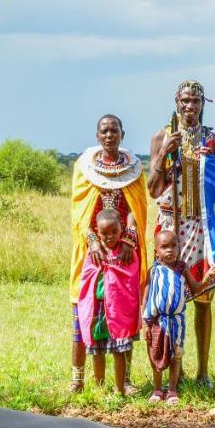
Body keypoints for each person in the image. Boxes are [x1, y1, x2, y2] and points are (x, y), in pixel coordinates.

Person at [147, 80, 215, 387]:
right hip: (169, 224)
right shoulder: (161, 136)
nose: (189, 106)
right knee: (167, 299)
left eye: (195, 101)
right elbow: (153, 190)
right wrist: (164, 153)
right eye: (184, 101)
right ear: (176, 102)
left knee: (204, 298)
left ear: (203, 104)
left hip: (200, 226)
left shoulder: (212, 139)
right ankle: (166, 370)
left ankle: (202, 371)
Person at [69, 114, 150, 393]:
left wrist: (128, 240)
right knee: (85, 312)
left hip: (125, 253)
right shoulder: (85, 168)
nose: (109, 136)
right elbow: (80, 213)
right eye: (104, 131)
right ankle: (78, 380)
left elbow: (135, 209)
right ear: (97, 135)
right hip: (91, 251)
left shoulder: (134, 168)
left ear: (122, 134)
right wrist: (93, 240)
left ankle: (124, 380)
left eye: (114, 131)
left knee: (124, 314)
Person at [142, 230, 215, 404]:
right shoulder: (154, 271)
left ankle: (172, 390)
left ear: (179, 248)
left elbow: (195, 289)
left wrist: (207, 278)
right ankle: (157, 389)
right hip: (157, 321)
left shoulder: (182, 269)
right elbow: (146, 299)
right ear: (156, 251)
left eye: (173, 246)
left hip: (176, 321)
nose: (169, 250)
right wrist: (145, 323)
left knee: (175, 355)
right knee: (155, 353)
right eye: (164, 247)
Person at [76, 210, 141, 395]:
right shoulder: (93, 252)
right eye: (104, 233)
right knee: (97, 351)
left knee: (119, 351)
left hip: (118, 312)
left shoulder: (127, 252)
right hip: (98, 310)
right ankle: (100, 388)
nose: (109, 236)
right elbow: (88, 277)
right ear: (97, 232)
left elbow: (130, 279)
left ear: (121, 229)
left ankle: (120, 390)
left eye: (114, 231)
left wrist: (111, 269)